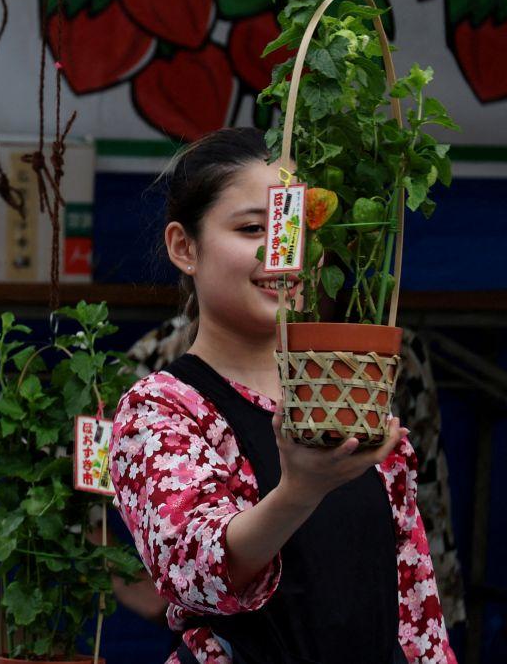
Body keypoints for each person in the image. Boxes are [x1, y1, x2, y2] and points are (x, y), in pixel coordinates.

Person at [108, 127, 455, 664]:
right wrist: (298, 492)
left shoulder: (355, 397)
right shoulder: (161, 408)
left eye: (297, 229)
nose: (282, 254)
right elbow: (195, 574)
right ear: (184, 246)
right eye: (252, 229)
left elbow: (416, 610)